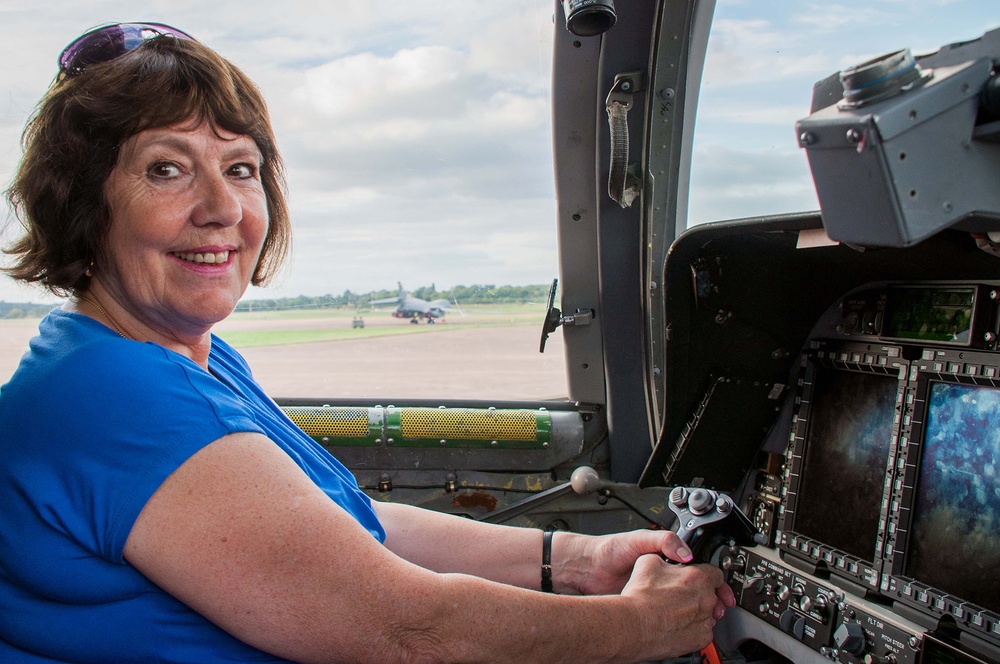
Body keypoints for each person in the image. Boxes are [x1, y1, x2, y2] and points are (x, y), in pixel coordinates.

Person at [0, 23, 734, 663]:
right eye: (167, 169)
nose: (222, 208)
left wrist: (574, 561)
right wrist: (638, 627)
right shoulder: (110, 395)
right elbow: (410, 631)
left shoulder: (173, 358)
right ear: (83, 204)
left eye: (241, 169)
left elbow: (348, 521)